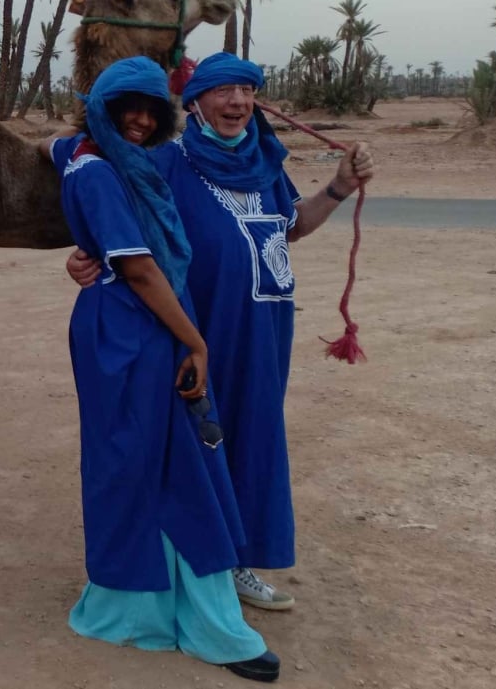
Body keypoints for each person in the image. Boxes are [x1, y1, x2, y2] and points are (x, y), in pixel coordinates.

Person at [66, 52, 376, 612]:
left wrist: (337, 188)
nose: (237, 102)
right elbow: (119, 221)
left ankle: (241, 558)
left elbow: (290, 227)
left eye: (247, 90)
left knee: (255, 432)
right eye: (223, 90)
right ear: (195, 102)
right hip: (198, 327)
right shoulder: (166, 161)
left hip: (265, 326)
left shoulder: (264, 163)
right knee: (204, 437)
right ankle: (203, 566)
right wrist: (85, 257)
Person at [45, 56, 280, 683]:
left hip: (133, 324)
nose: (143, 120)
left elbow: (54, 144)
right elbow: (142, 267)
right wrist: (196, 344)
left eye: (153, 108)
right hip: (133, 328)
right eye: (129, 108)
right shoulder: (98, 172)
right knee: (171, 460)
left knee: (146, 461)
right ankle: (203, 622)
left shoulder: (93, 155)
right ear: (105, 107)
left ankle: (150, 605)